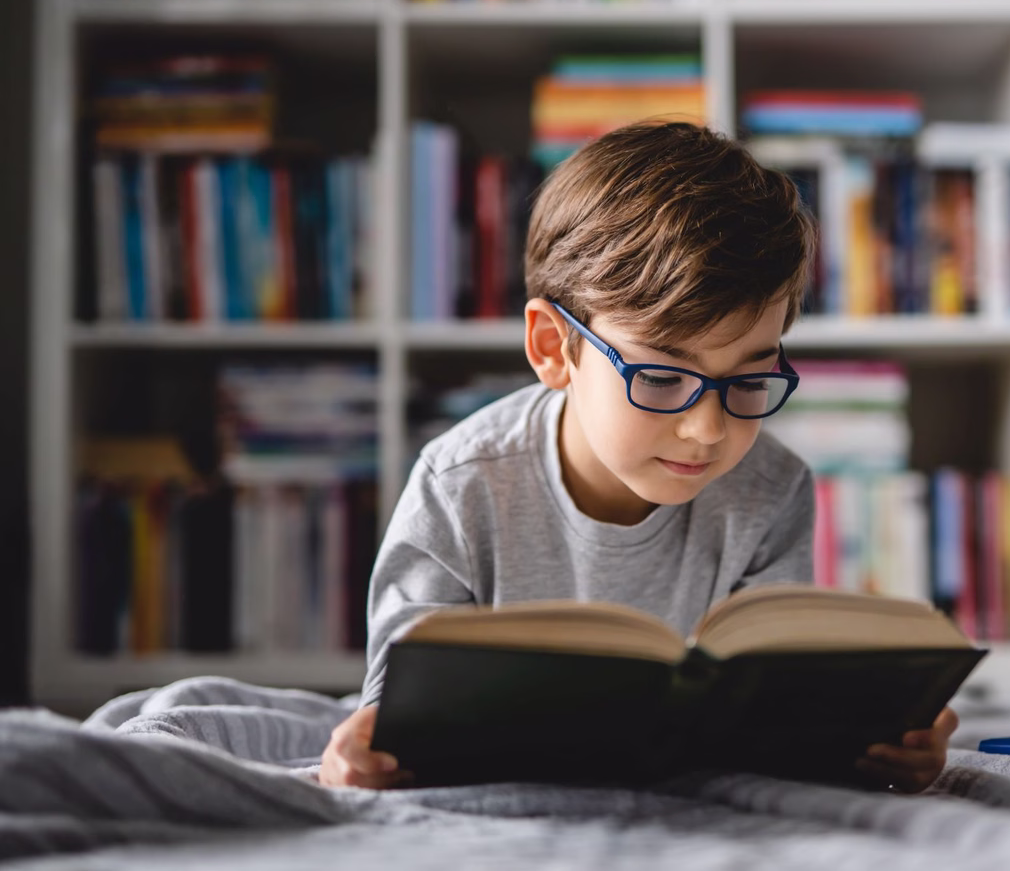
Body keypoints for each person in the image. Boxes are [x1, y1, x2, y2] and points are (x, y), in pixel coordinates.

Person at [318, 121, 958, 791]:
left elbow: (781, 703)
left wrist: (883, 743)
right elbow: (391, 717)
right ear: (551, 348)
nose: (707, 429)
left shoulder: (772, 489)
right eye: (659, 378)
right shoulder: (459, 487)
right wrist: (366, 752)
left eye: (747, 380)